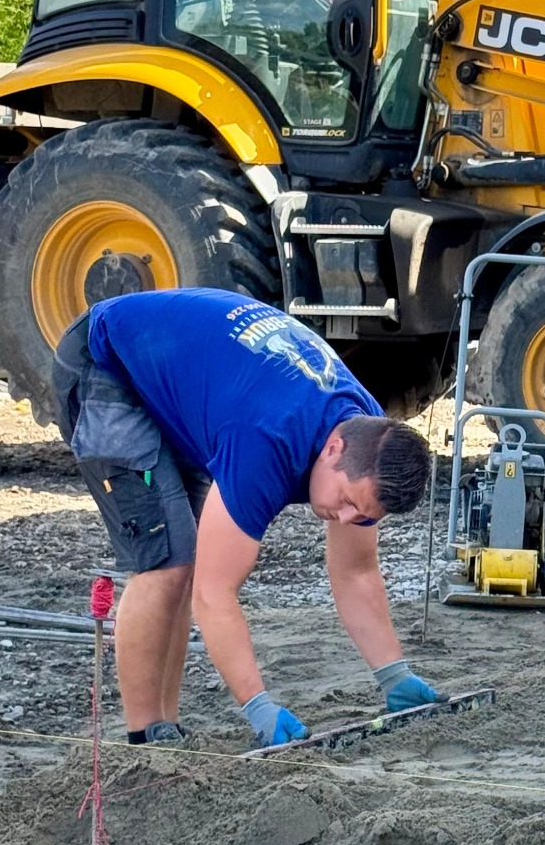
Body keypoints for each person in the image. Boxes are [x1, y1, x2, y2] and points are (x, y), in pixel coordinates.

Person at [53, 288, 439, 746]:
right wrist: (258, 707)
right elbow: (214, 593)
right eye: (346, 501)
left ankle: (164, 728)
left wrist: (394, 675)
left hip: (190, 377)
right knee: (167, 562)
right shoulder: (267, 442)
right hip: (106, 360)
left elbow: (355, 572)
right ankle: (143, 739)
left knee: (184, 556)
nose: (344, 517)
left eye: (361, 514)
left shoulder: (372, 442)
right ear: (333, 449)